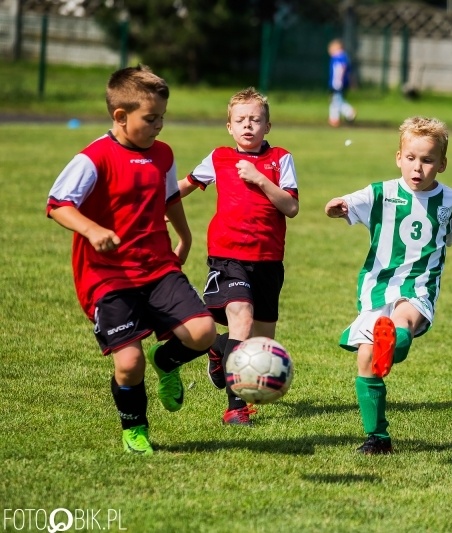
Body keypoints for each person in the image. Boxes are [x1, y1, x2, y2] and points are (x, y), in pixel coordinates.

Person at [46, 65, 217, 455]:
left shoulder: (163, 154)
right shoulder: (93, 158)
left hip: (157, 266)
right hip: (107, 275)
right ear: (120, 117)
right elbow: (58, 205)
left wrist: (185, 235)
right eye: (151, 118)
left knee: (203, 331)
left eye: (162, 118)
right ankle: (135, 426)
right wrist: (91, 230)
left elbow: (169, 198)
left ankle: (168, 360)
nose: (159, 126)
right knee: (128, 362)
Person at [324, 116, 452, 454]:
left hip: (419, 285)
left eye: (428, 160)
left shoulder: (451, 200)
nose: (418, 167)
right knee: (366, 360)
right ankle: (378, 438)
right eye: (411, 158)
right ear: (398, 157)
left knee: (405, 317)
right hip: (377, 288)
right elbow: (347, 203)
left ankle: (395, 341)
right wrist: (337, 206)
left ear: (442, 164)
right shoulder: (381, 192)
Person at [178, 87, 300, 426]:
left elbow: (290, 207)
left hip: (269, 260)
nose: (248, 126)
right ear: (229, 127)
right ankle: (236, 406)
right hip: (228, 256)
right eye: (240, 120)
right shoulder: (218, 157)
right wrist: (145, 200)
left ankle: (218, 347)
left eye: (256, 120)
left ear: (268, 126)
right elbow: (183, 186)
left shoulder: (280, 159)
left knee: (260, 345)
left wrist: (260, 178)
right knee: (241, 318)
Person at [328, 38, 356, 127]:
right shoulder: (344, 57)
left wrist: (338, 81)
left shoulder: (339, 57)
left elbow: (340, 69)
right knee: (336, 100)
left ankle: (347, 113)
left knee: (336, 101)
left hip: (338, 83)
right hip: (341, 83)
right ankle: (337, 117)